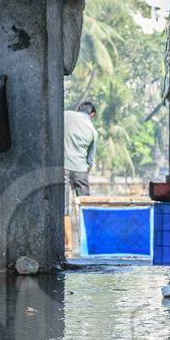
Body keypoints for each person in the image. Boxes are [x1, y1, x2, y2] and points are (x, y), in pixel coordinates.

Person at [63, 101, 98, 250]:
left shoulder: (65, 115)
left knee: (63, 207)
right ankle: (89, 244)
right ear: (92, 115)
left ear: (78, 110)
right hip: (80, 170)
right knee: (85, 205)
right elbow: (90, 160)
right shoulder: (93, 130)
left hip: (62, 167)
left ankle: (69, 245)